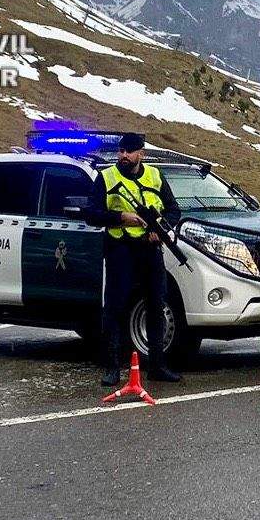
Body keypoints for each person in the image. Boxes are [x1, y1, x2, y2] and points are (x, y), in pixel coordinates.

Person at [85, 132, 183, 385]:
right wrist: (121, 218)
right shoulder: (106, 177)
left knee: (155, 305)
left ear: (141, 153)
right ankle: (112, 368)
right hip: (120, 248)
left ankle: (157, 366)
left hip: (150, 250)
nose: (124, 156)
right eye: (121, 151)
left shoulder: (155, 176)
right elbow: (92, 214)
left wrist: (158, 230)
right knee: (115, 308)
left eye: (130, 151)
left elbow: (173, 210)